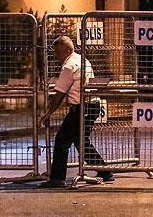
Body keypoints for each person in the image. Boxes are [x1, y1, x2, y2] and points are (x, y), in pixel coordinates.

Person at [38, 36, 113, 188]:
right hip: (93, 105)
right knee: (81, 141)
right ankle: (104, 171)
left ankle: (57, 179)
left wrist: (48, 113)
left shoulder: (69, 66)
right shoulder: (83, 60)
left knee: (62, 140)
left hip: (80, 108)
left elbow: (59, 94)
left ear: (67, 50)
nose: (56, 56)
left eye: (58, 52)